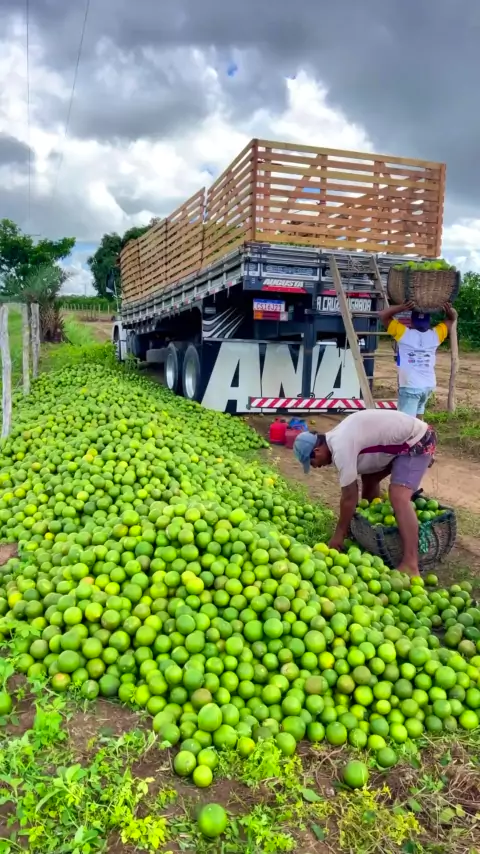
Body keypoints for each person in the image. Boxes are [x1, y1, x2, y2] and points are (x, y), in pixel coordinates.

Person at [293, 409, 436, 576]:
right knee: (369, 478)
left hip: (418, 440)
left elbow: (349, 497)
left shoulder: (341, 446)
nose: (316, 467)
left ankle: (410, 563)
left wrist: (339, 534)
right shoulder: (336, 438)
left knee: (398, 496)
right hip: (399, 442)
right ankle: (374, 532)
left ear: (317, 450)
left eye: (312, 462)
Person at [378, 300, 457, 418]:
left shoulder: (403, 333)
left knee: (406, 423)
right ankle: (421, 430)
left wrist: (403, 307)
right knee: (419, 419)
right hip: (428, 386)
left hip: (410, 387)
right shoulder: (435, 335)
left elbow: (382, 315)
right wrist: (447, 310)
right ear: (429, 322)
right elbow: (451, 319)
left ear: (411, 322)